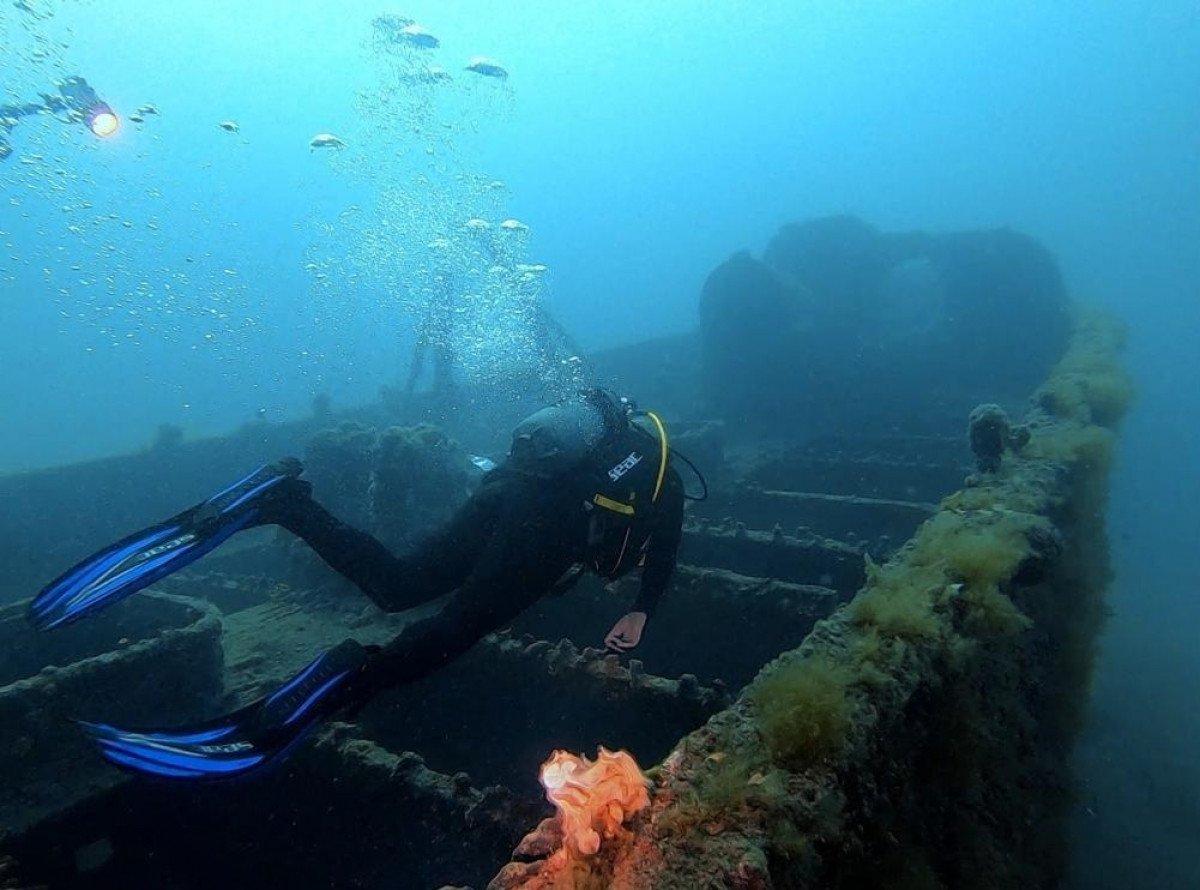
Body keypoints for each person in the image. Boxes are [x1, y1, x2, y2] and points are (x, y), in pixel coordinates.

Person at [30, 390, 685, 779]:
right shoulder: (661, 481)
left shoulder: (602, 448)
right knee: (450, 632)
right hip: (546, 528)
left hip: (505, 491)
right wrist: (645, 610)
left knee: (400, 583)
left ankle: (283, 503)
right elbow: (668, 542)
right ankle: (341, 678)